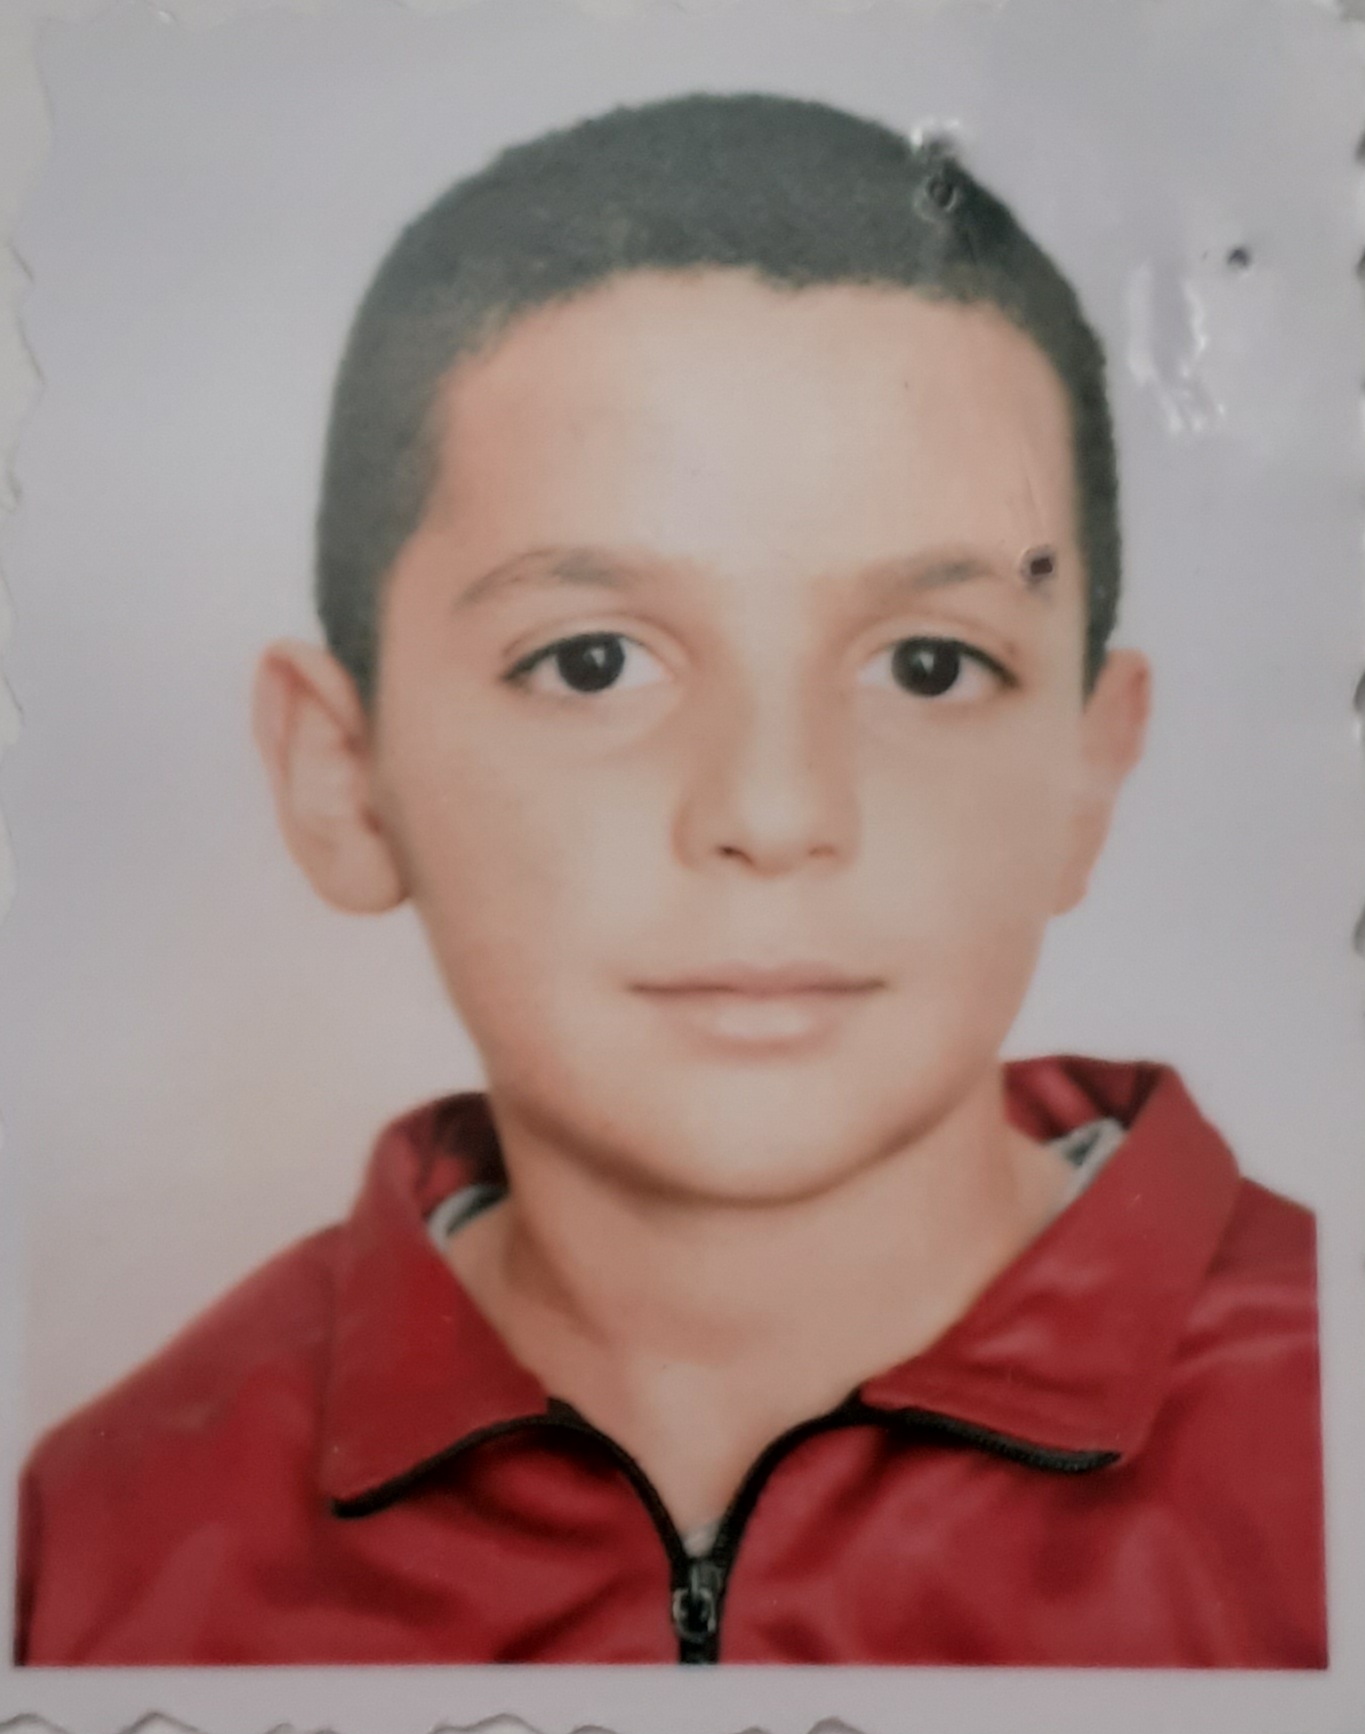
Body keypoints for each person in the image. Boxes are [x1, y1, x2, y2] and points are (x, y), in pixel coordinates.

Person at [15, 92, 1325, 1667]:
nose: (772, 812)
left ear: (1086, 773)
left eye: (926, 663)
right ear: (341, 773)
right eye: (591, 661)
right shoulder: (102, 1549)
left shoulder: (1325, 1437)